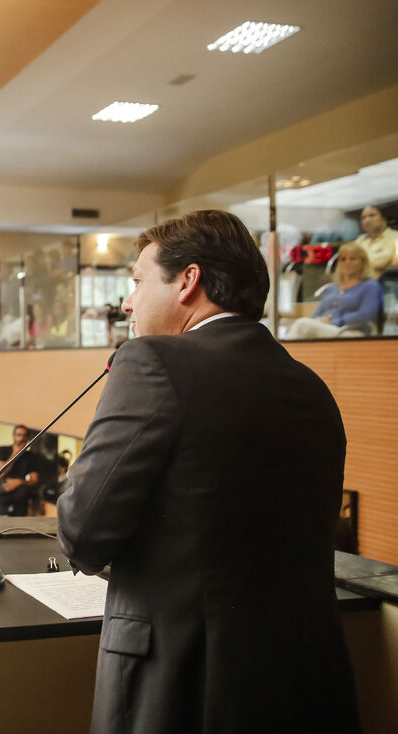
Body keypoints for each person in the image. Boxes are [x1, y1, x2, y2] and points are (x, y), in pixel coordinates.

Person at [56, 209, 358, 733]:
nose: (127, 301)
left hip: (187, 686)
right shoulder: (311, 385)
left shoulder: (150, 361)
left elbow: (82, 533)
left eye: (138, 281)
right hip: (307, 683)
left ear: (188, 281)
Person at [288, 242, 382, 339]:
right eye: (343, 259)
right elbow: (316, 314)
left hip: (351, 331)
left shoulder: (370, 285)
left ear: (363, 262)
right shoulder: (333, 288)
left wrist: (333, 322)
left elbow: (366, 315)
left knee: (302, 325)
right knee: (298, 326)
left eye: (353, 259)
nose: (347, 262)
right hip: (326, 329)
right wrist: (318, 321)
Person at [0, 424, 47, 516]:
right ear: (14, 436)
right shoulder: (2, 450)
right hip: (3, 496)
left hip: (20, 500)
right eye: (19, 435)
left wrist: (19, 482)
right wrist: (15, 453)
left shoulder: (31, 457)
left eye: (24, 436)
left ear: (27, 438)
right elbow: (1, 473)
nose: (21, 438)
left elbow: (34, 480)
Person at [357, 204, 397, 275]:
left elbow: (395, 267)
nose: (367, 220)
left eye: (372, 215)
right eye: (363, 218)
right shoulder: (360, 241)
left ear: (384, 219)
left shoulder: (395, 237)